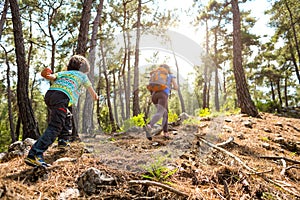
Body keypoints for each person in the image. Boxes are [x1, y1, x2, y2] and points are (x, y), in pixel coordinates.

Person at [25, 55, 98, 167]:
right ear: (84, 68)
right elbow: (92, 92)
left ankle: (63, 141)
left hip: (50, 95)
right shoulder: (83, 76)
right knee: (55, 126)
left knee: (67, 116)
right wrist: (95, 97)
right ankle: (34, 154)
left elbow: (49, 76)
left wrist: (44, 73)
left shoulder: (64, 73)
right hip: (61, 97)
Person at [145, 64, 178, 140]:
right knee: (160, 112)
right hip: (162, 95)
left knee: (165, 113)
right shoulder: (169, 76)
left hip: (154, 95)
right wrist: (170, 87)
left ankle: (165, 133)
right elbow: (176, 87)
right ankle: (149, 125)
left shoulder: (156, 75)